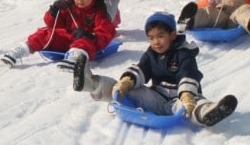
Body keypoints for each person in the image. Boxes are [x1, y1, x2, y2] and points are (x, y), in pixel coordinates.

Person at [71, 11, 238, 128]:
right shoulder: (152, 54)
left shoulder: (184, 54)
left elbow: (188, 75)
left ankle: (208, 114)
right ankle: (92, 84)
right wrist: (128, 81)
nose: (156, 42)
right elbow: (142, 69)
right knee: (121, 90)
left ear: (172, 35)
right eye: (151, 38)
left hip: (179, 99)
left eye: (160, 36)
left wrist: (187, 95)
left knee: (193, 106)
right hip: (156, 97)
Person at [0, 0, 116, 70]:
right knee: (45, 32)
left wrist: (90, 36)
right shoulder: (69, 6)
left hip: (86, 44)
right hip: (67, 40)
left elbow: (106, 33)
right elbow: (52, 24)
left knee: (83, 40)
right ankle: (21, 50)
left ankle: (75, 59)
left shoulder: (98, 12)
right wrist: (54, 11)